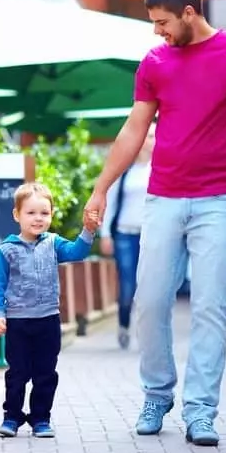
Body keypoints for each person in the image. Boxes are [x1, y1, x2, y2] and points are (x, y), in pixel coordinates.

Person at [83, 0, 226, 447]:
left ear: (190, 13)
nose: (157, 31)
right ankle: (156, 394)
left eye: (163, 21)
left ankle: (201, 411)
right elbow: (132, 131)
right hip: (164, 198)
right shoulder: (154, 62)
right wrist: (101, 188)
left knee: (209, 308)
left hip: (218, 201)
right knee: (148, 302)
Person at [0, 182, 99, 438]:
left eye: (44, 213)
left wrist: (88, 231)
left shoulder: (53, 243)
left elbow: (77, 252)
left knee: (45, 373)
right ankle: (11, 418)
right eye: (31, 213)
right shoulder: (7, 250)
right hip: (17, 322)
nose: (38, 218)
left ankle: (41, 419)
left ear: (51, 215)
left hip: (48, 320)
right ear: (17, 215)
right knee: (17, 373)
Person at [100, 124, 156, 349]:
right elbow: (110, 204)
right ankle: (123, 324)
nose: (151, 141)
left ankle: (147, 333)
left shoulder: (161, 170)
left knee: (150, 287)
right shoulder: (124, 171)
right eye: (148, 136)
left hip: (151, 237)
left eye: (154, 136)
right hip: (124, 234)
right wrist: (105, 235)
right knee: (127, 286)